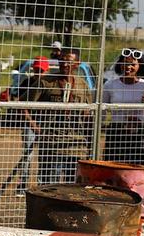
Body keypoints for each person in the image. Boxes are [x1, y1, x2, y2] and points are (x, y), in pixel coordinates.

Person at [27, 47, 92, 185]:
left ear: (77, 64)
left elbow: (88, 115)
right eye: (62, 61)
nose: (64, 64)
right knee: (50, 186)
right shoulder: (46, 82)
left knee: (73, 187)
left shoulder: (82, 85)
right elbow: (22, 106)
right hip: (52, 143)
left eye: (69, 61)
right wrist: (36, 128)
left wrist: (89, 142)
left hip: (76, 146)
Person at [101, 48, 144, 165]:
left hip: (139, 132)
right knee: (112, 166)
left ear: (140, 66)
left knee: (135, 168)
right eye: (125, 63)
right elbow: (102, 110)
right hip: (116, 132)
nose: (128, 67)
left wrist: (141, 120)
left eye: (132, 64)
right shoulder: (110, 84)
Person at [12, 56, 49, 196]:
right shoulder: (28, 82)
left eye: (41, 70)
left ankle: (42, 186)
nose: (38, 72)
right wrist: (31, 123)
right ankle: (23, 185)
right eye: (36, 69)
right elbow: (20, 102)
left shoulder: (48, 83)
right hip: (30, 123)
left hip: (46, 124)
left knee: (45, 155)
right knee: (28, 154)